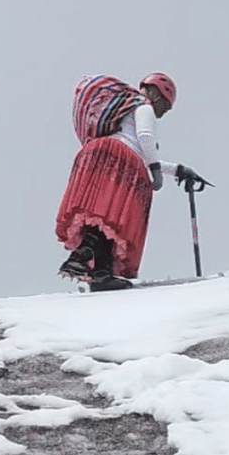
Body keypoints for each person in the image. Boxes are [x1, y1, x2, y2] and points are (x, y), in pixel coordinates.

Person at [56, 72, 206, 291]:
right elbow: (144, 138)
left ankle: (100, 272)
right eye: (165, 105)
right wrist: (155, 170)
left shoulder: (125, 112)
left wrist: (177, 170)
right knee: (112, 217)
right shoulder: (143, 107)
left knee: (103, 217)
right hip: (121, 158)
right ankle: (85, 256)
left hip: (99, 153)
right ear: (158, 95)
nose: (163, 112)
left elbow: (137, 148)